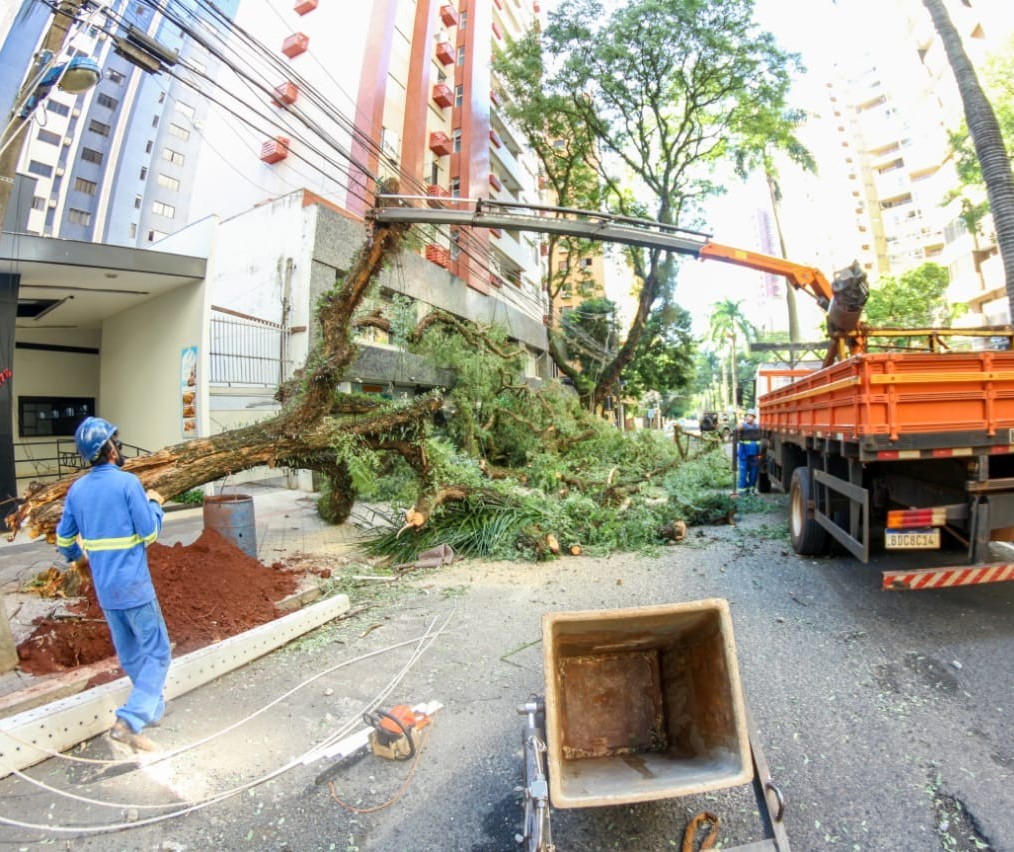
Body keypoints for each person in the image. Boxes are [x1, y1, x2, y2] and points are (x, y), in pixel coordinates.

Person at [56, 417, 170, 752]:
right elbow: (149, 533)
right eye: (115, 442)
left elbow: (64, 542)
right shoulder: (128, 484)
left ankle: (153, 710)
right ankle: (130, 719)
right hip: (135, 587)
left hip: (106, 592)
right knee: (159, 653)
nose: (118, 447)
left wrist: (79, 558)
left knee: (131, 654)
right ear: (107, 449)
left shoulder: (77, 491)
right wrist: (155, 504)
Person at [736, 410, 762, 494]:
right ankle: (742, 492)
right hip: (744, 455)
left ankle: (752, 490)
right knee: (743, 474)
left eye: (750, 416)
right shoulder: (743, 426)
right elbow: (737, 428)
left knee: (754, 473)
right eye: (746, 415)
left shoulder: (757, 427)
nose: (747, 417)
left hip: (755, 455)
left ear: (754, 417)